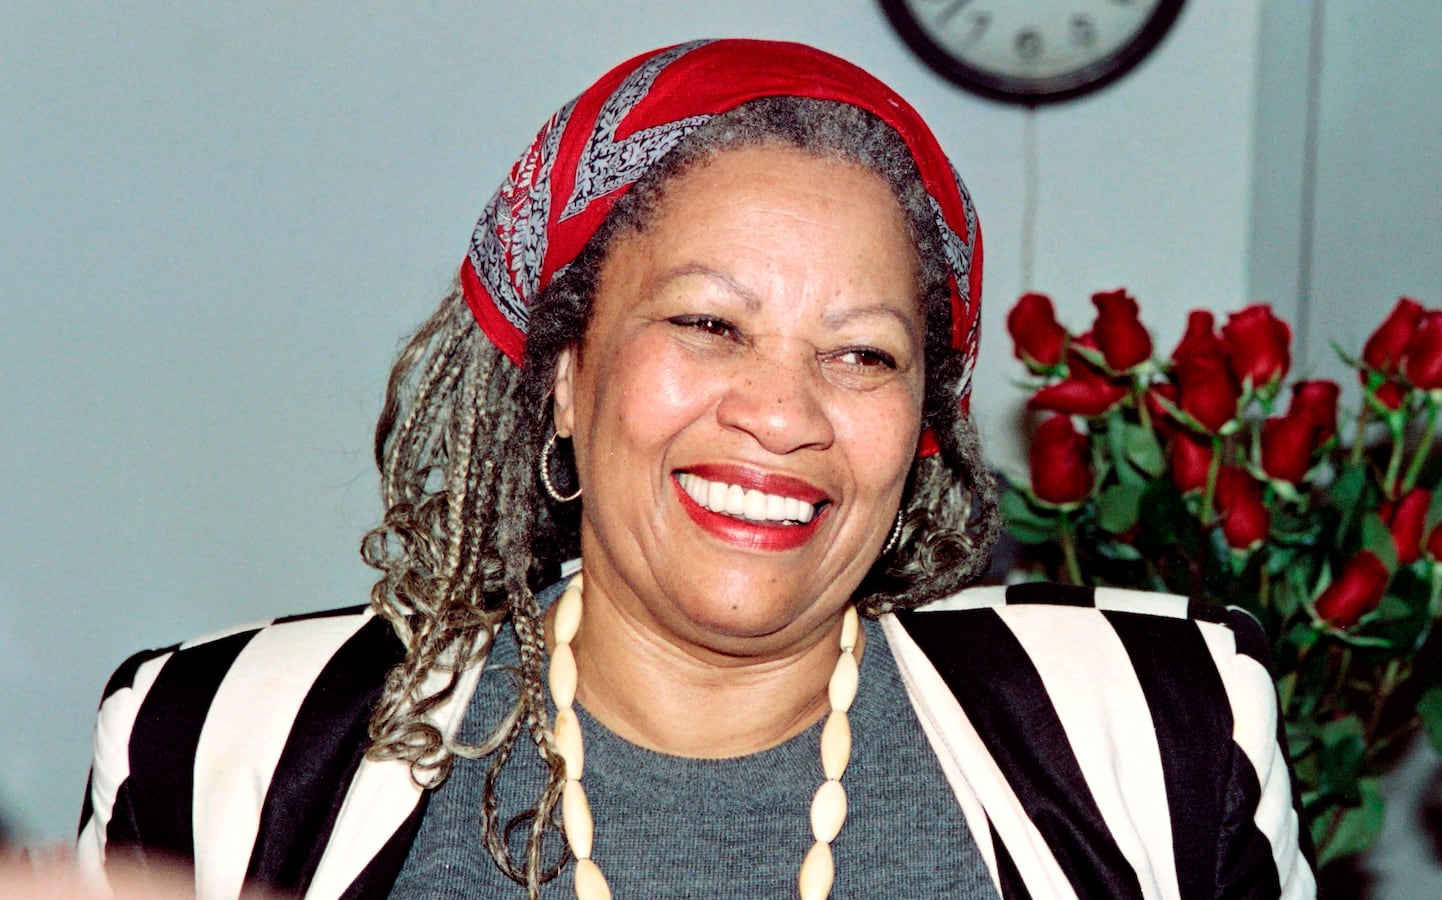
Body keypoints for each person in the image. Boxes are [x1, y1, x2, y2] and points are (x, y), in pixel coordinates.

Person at [75, 39, 1315, 899]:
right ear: (563, 371)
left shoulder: (1161, 734)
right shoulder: (224, 749)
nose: (783, 413)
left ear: (919, 428)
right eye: (708, 325)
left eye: (863, 353)